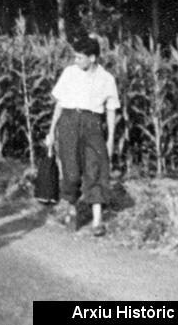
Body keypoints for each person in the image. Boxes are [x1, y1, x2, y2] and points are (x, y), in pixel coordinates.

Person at [44, 35, 120, 237]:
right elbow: (59, 103)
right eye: (75, 57)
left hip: (93, 123)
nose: (75, 61)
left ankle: (97, 220)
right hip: (68, 121)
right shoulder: (70, 73)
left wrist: (110, 138)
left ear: (93, 58)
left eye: (79, 57)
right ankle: (71, 208)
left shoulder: (107, 79)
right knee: (71, 170)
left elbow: (111, 109)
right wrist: (52, 131)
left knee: (95, 168)